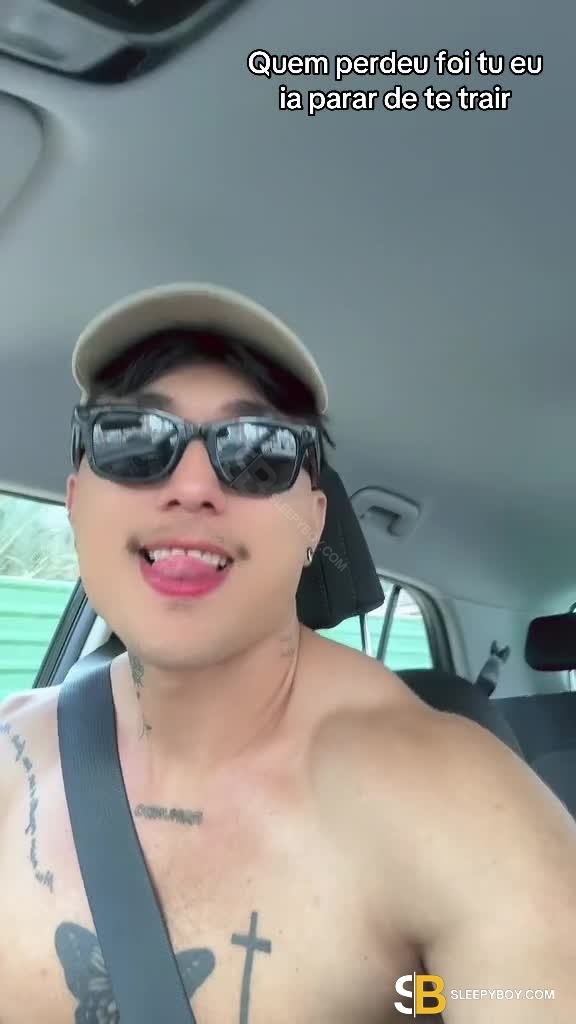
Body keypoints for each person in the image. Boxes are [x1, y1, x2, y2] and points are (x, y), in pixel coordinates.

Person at [0, 282, 575, 1024]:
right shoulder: (11, 750)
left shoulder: (456, 802)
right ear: (78, 498)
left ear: (314, 521)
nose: (193, 486)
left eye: (258, 453)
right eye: (132, 438)